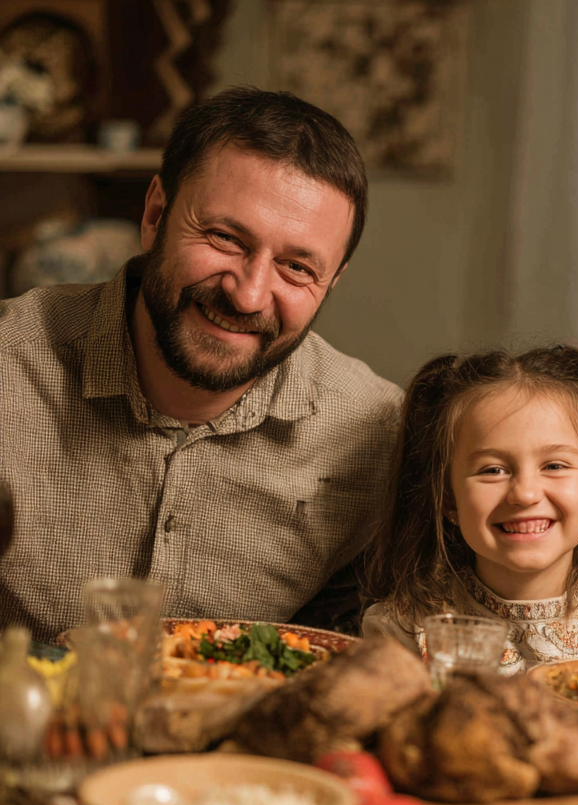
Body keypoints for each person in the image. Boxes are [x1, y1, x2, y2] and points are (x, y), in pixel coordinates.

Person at [0, 88, 402, 642]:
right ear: (155, 214)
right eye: (224, 237)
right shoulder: (9, 365)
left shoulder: (383, 434)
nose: (249, 295)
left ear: (331, 281)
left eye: (296, 268)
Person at [362, 346, 578, 670]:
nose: (525, 494)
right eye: (492, 470)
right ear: (447, 498)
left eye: (555, 466)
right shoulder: (402, 631)